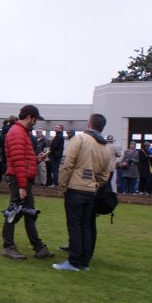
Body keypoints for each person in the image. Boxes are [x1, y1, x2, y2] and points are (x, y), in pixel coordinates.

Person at [52, 113, 111, 272]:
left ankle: (74, 261)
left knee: (75, 226)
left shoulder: (80, 139)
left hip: (76, 188)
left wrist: (62, 185)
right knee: (86, 225)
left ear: (89, 124)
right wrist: (96, 184)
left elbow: (67, 163)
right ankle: (84, 262)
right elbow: (106, 173)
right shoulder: (105, 145)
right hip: (91, 191)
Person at [0, 105, 54, 261]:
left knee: (29, 214)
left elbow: (23, 160)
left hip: (21, 179)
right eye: (35, 119)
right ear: (30, 117)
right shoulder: (17, 133)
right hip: (19, 180)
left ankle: (38, 247)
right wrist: (22, 186)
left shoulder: (21, 132)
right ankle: (8, 247)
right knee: (14, 213)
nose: (35, 123)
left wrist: (37, 159)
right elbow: (17, 162)